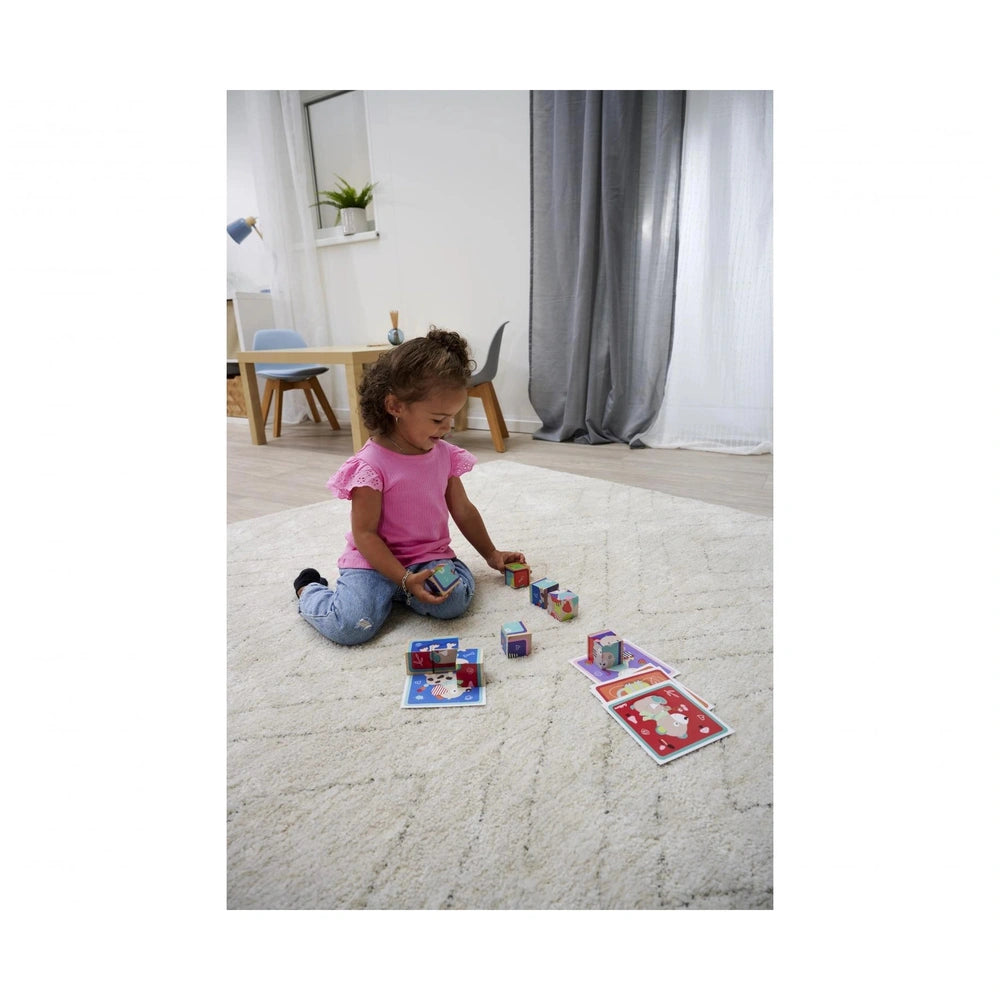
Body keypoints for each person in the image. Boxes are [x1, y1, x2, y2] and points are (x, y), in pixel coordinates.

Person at [293, 328, 525, 646]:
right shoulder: (370, 466)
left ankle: (405, 593)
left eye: (452, 418)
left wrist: (491, 554)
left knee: (454, 602)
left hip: (427, 557)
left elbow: (463, 509)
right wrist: (402, 577)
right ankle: (310, 590)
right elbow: (365, 535)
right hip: (374, 563)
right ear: (395, 406)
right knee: (351, 627)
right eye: (438, 419)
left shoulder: (444, 455)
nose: (447, 429)